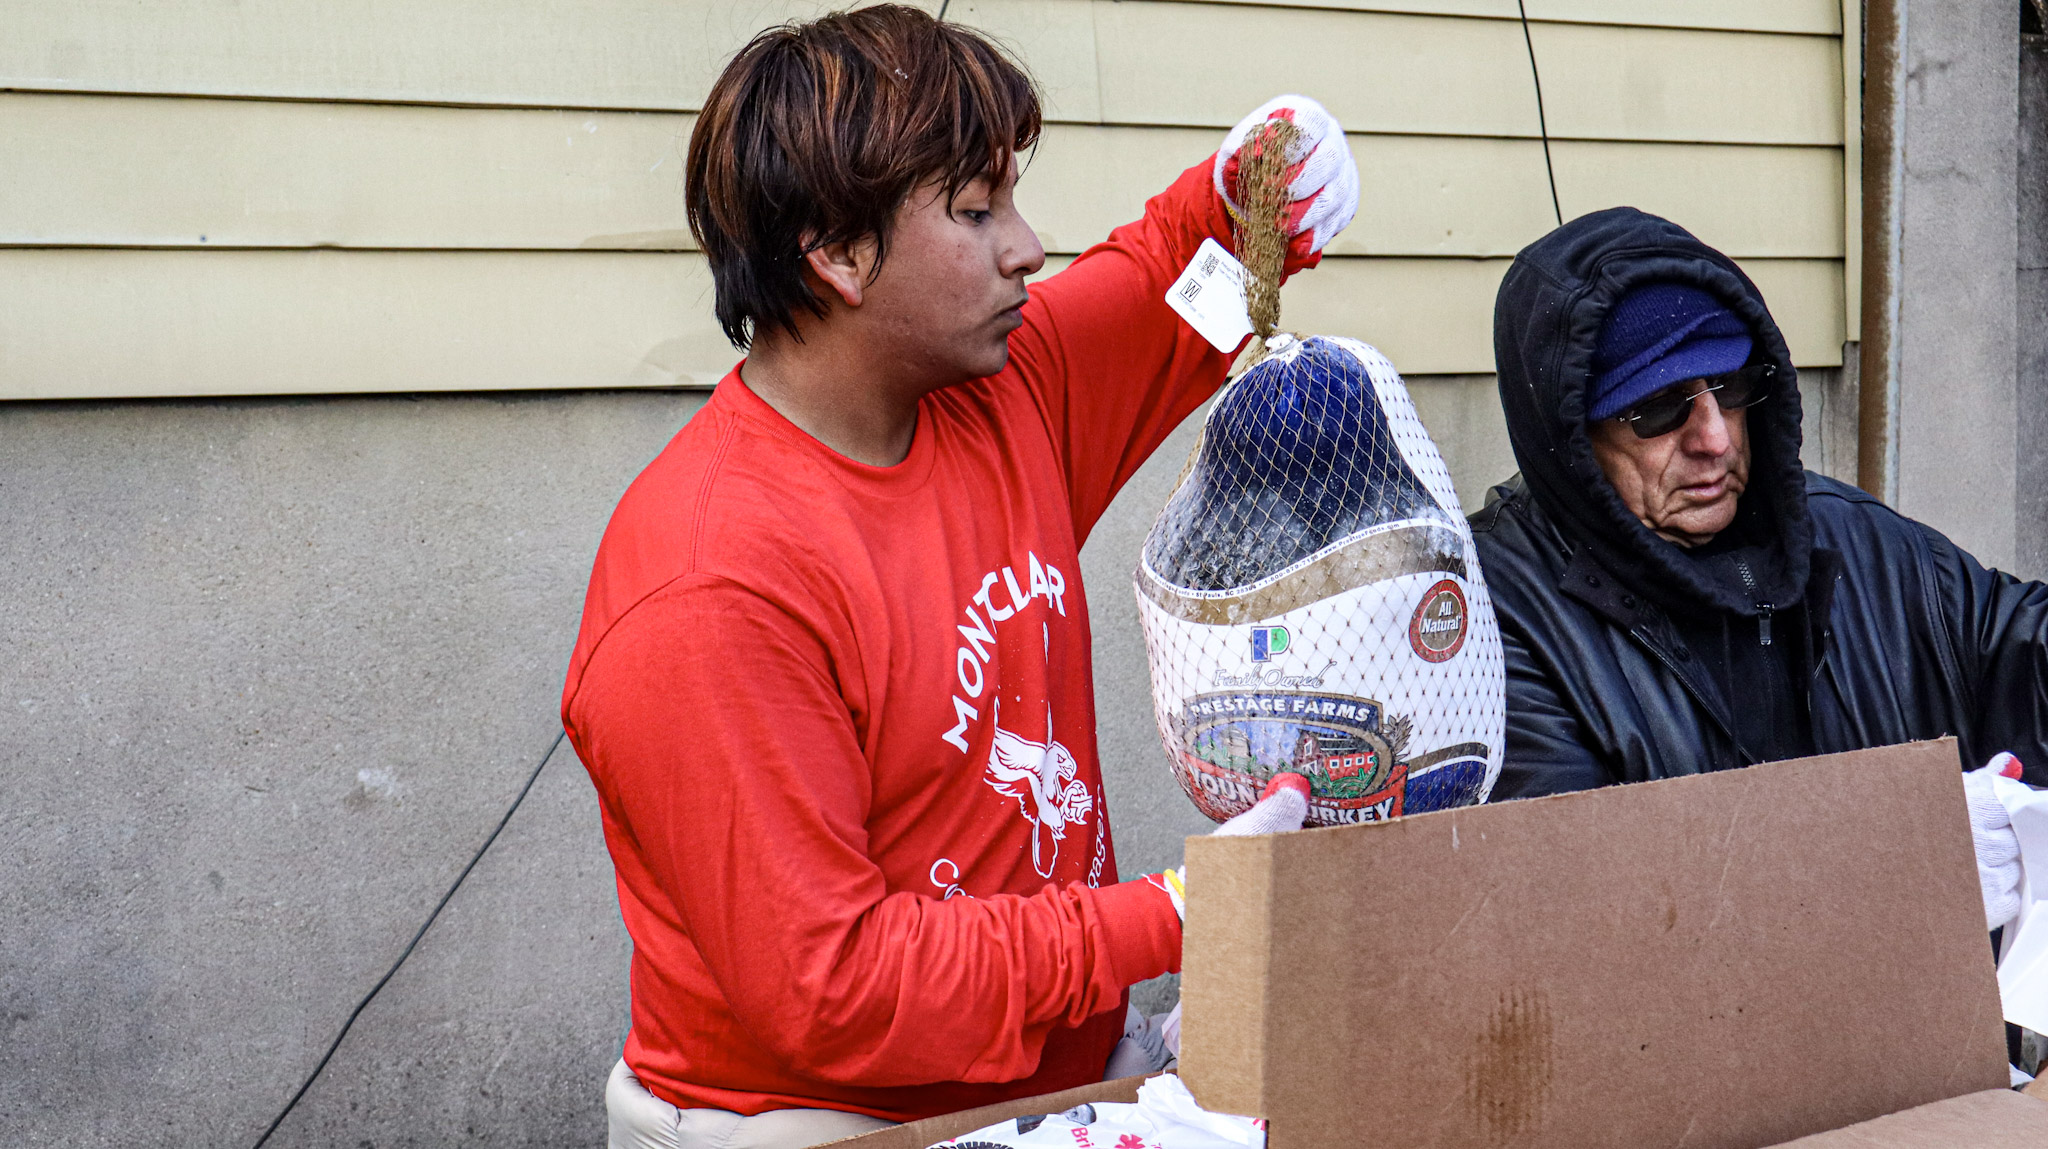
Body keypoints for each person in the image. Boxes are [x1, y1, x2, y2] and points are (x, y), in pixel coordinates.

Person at [559, 7, 1356, 1147]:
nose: (1026, 245)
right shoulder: (712, 589)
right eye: (976, 212)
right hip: (824, 1119)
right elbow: (833, 989)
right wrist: (1176, 917)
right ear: (836, 254)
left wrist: (1257, 199)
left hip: (1043, 1086)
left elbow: (1171, 296)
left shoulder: (993, 392)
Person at [1469, 206, 2038, 939]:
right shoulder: (1498, 614)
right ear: (1570, 442)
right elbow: (1584, 906)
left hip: (1931, 1045)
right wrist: (1899, 856)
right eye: (1656, 409)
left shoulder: (1851, 539)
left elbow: (2019, 647)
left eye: (1731, 388)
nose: (1712, 436)